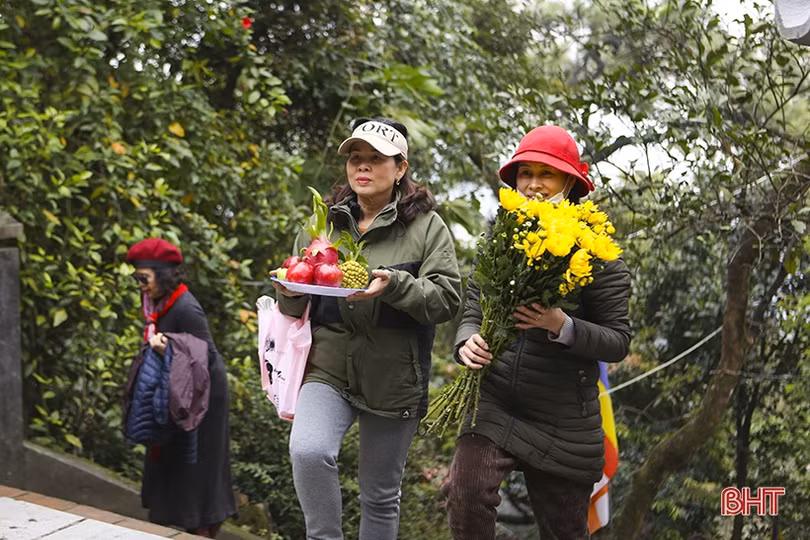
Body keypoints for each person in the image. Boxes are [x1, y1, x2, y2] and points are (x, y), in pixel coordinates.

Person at [272, 117, 462, 540]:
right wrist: (290, 286)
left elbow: (447, 299)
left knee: (379, 496)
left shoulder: (428, 227)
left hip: (394, 377)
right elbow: (294, 303)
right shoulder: (320, 226)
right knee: (308, 450)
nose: (363, 166)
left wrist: (394, 285)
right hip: (329, 366)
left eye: (376, 159)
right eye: (356, 158)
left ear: (400, 168)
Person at [441, 125, 632, 540]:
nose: (532, 185)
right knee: (465, 495)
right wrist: (466, 339)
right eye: (524, 174)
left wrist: (562, 325)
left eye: (545, 174)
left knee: (565, 531)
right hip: (495, 404)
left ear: (569, 182)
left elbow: (618, 340)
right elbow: (475, 301)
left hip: (564, 419)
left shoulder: (597, 251)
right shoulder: (501, 235)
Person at [125, 237, 236, 538]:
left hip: (204, 398)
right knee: (169, 463)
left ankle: (203, 529)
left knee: (199, 469)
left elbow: (206, 355)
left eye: (143, 278)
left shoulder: (187, 307)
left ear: (162, 274)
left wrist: (169, 348)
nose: (140, 285)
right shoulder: (156, 303)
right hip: (175, 394)